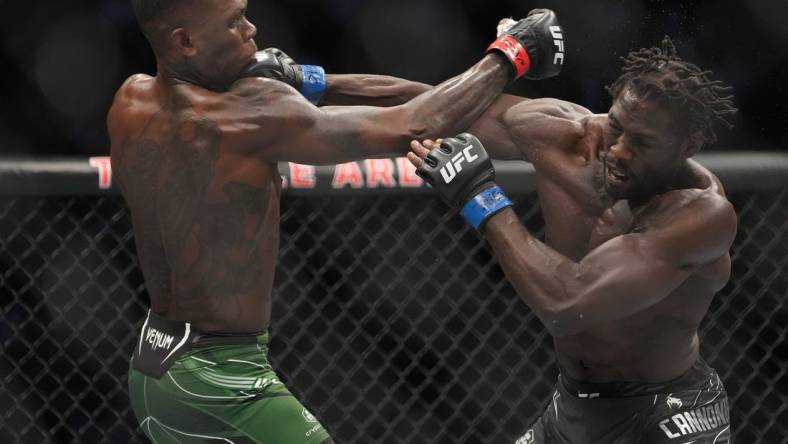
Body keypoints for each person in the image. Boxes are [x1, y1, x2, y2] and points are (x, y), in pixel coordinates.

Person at [107, 0, 564, 442]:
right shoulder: (247, 115)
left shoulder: (129, 101)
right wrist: (511, 52)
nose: (252, 30)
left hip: (152, 364)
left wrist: (298, 80)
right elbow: (412, 126)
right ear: (186, 41)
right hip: (221, 375)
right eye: (235, 22)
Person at [405, 37, 737, 443]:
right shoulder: (571, 135)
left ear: (688, 147)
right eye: (616, 126)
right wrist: (316, 83)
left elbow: (565, 305)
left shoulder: (701, 213)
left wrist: (480, 198)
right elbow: (432, 106)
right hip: (574, 406)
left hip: (668, 413)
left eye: (644, 142)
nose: (617, 150)